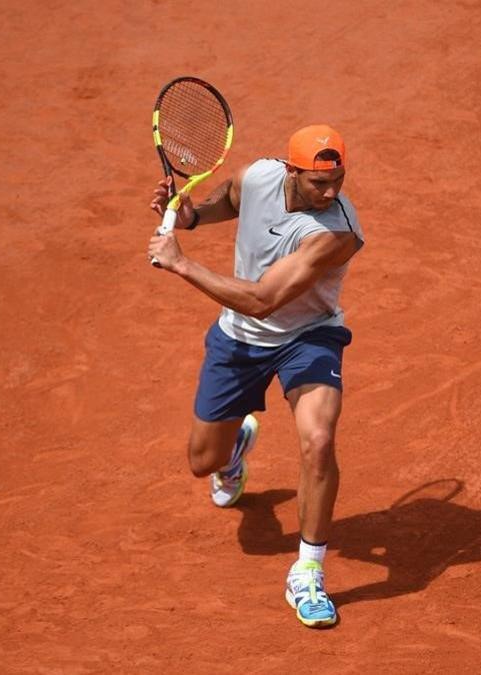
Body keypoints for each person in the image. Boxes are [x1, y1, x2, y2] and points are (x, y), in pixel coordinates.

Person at [146, 124, 364, 628]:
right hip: (238, 340)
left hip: (307, 337)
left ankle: (308, 572)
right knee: (203, 463)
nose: (331, 192)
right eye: (318, 183)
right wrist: (196, 215)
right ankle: (234, 453)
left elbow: (264, 301)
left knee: (319, 439)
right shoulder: (262, 176)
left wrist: (182, 263)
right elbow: (235, 196)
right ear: (290, 172)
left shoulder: (336, 234)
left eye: (338, 181)